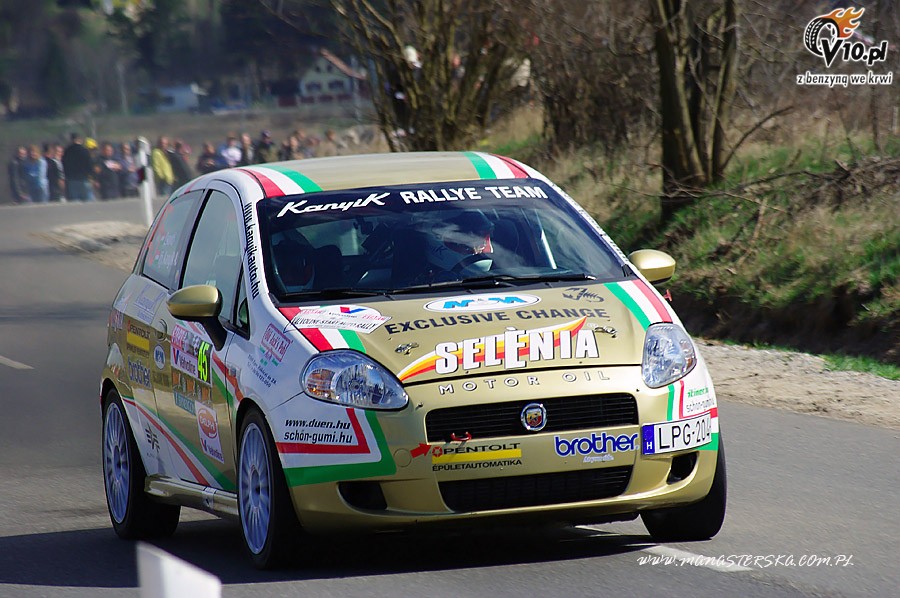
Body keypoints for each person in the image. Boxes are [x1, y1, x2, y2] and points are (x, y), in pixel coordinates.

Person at [424, 209, 495, 278]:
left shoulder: (497, 272)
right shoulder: (425, 279)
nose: (476, 252)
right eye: (467, 247)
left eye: (480, 245)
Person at [62, 132, 95, 201]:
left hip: (71, 179)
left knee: (74, 200)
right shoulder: (84, 151)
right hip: (84, 178)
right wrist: (91, 176)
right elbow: (89, 165)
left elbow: (64, 164)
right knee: (87, 200)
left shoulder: (67, 151)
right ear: (79, 139)